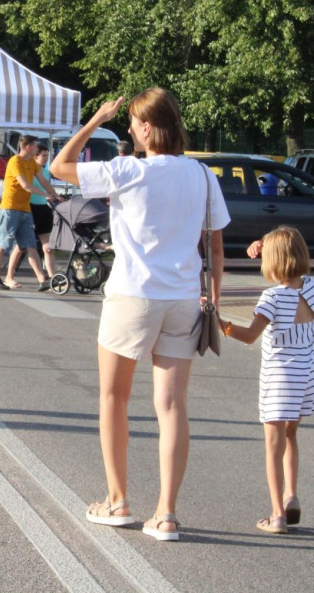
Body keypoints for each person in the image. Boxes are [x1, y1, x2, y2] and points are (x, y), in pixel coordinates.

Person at [50, 87, 229, 542]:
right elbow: (216, 246)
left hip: (133, 294)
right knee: (172, 407)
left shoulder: (128, 170)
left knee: (113, 398)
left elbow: (58, 168)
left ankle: (118, 501)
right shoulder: (202, 176)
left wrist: (94, 121)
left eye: (132, 123)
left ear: (147, 128)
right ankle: (166, 514)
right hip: (184, 298)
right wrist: (214, 299)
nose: (129, 130)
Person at [220, 226, 313, 534]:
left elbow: (249, 337)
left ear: (271, 260)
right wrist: (266, 243)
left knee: (272, 446)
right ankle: (291, 496)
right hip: (306, 375)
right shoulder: (311, 288)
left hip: (280, 379)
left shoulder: (272, 297)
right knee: (290, 437)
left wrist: (220, 323)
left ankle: (276, 515)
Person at [0, 135, 57, 290]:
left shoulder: (31, 162)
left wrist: (56, 195)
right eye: (35, 146)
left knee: (30, 245)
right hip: (10, 208)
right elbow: (26, 185)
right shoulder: (15, 162)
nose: (36, 149)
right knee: (3, 243)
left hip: (25, 209)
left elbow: (43, 181)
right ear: (28, 147)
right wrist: (46, 195)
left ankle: (42, 280)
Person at [11, 145, 57, 279]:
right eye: (43, 156)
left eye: (47, 156)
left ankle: (53, 277)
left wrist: (55, 195)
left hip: (43, 209)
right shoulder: (29, 170)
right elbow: (27, 187)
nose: (46, 159)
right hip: (30, 208)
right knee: (22, 246)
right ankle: (10, 272)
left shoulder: (46, 172)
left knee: (48, 248)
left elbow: (47, 185)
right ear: (35, 156)